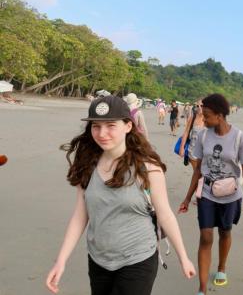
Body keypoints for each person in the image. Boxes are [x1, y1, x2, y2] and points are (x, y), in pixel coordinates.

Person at [46, 95, 196, 295]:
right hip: (98, 259)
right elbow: (81, 216)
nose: (102, 133)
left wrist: (183, 257)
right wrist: (61, 261)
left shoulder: (148, 168)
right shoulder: (87, 165)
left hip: (138, 259)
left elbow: (165, 215)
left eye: (110, 125)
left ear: (128, 126)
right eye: (96, 126)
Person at [178, 93, 243, 295]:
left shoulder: (240, 137)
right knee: (205, 237)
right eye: (203, 116)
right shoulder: (203, 135)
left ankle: (221, 268)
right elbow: (197, 169)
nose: (204, 120)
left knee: (225, 232)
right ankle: (202, 287)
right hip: (206, 193)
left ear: (220, 115)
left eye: (207, 116)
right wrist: (187, 198)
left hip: (231, 195)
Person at [179, 99, 206, 170]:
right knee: (196, 173)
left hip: (206, 153)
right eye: (197, 106)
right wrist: (182, 148)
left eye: (202, 105)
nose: (199, 107)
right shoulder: (193, 118)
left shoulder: (210, 118)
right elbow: (186, 132)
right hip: (193, 151)